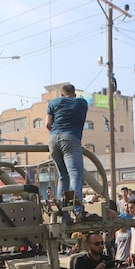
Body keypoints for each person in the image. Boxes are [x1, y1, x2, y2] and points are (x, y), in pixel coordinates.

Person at [46, 83, 89, 212]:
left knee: (63, 176)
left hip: (53, 140)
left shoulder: (53, 102)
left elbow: (48, 124)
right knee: (75, 174)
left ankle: (62, 211)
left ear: (61, 94)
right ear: (74, 95)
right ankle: (76, 210)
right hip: (71, 139)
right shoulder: (82, 103)